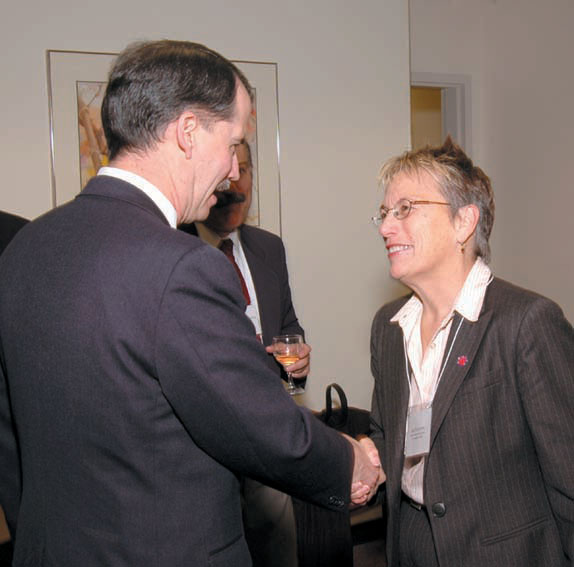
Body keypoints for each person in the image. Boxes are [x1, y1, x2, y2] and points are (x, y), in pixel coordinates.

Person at [0, 40, 383, 567]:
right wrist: (351, 462)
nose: (232, 171)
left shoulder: (25, 248)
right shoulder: (181, 266)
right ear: (187, 132)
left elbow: (11, 438)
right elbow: (257, 425)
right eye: (232, 144)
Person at [369, 136, 574, 567]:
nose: (387, 227)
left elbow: (568, 478)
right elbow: (388, 434)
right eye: (385, 213)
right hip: (413, 547)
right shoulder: (389, 329)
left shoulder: (527, 323)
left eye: (406, 209)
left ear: (463, 223)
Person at [181, 139, 308, 567]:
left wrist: (298, 363)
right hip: (200, 446)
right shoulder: (172, 249)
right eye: (228, 175)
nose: (238, 185)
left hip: (268, 434)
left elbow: (288, 327)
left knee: (277, 546)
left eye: (247, 171)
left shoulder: (269, 248)